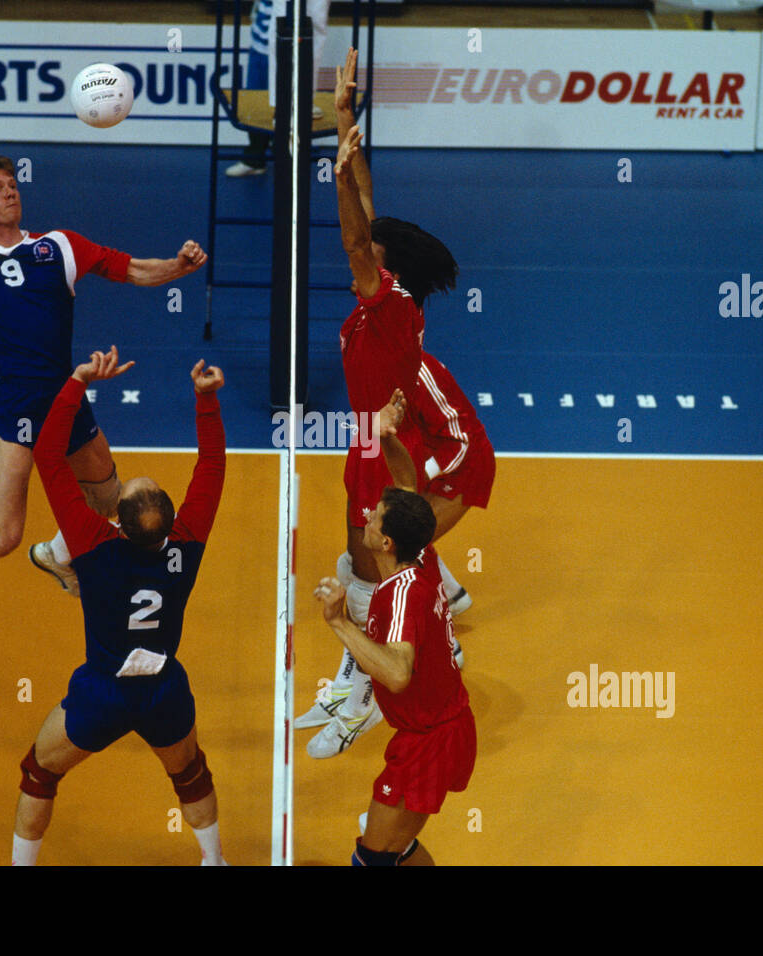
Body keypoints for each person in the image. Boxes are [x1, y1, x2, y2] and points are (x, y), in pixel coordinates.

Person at [0, 152, 207, 626]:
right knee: (1, 537)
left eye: (12, 184)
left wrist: (178, 266)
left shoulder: (59, 246)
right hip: (17, 408)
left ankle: (55, 553)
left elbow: (131, 269)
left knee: (111, 506)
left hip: (67, 399)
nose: (9, 191)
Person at [298, 50, 460, 757]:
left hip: (386, 449)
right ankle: (353, 677)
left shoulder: (389, 305)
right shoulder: (396, 296)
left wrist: (334, 172)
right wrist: (343, 125)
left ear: (389, 265)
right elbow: (368, 211)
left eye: (376, 250)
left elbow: (357, 231)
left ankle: (367, 695)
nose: (368, 249)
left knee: (371, 573)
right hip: (368, 442)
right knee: (355, 564)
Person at [11, 347, 229, 866]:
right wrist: (206, 400)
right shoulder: (188, 543)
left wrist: (78, 381)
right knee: (190, 773)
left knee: (40, 773)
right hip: (163, 690)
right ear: (169, 521)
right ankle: (214, 861)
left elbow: (46, 455)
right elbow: (213, 464)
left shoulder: (91, 543)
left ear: (119, 522)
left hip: (103, 693)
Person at [297, 349, 496, 748]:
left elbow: (462, 443)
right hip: (384, 442)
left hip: (424, 456)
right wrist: (377, 433)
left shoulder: (408, 360)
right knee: (352, 566)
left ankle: (362, 705)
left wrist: (425, 472)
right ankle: (350, 684)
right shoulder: (368, 346)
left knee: (371, 586)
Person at [313, 390, 476, 866]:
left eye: (374, 516)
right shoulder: (417, 553)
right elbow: (405, 484)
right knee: (395, 850)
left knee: (373, 856)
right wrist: (383, 437)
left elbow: (398, 673)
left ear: (385, 541)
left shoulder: (403, 595)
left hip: (430, 740)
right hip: (438, 729)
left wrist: (341, 623)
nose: (365, 513)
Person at [225, 0, 331, 178]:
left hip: (288, 40)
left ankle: (301, 104)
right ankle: (256, 154)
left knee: (313, 26)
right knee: (258, 100)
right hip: (264, 41)